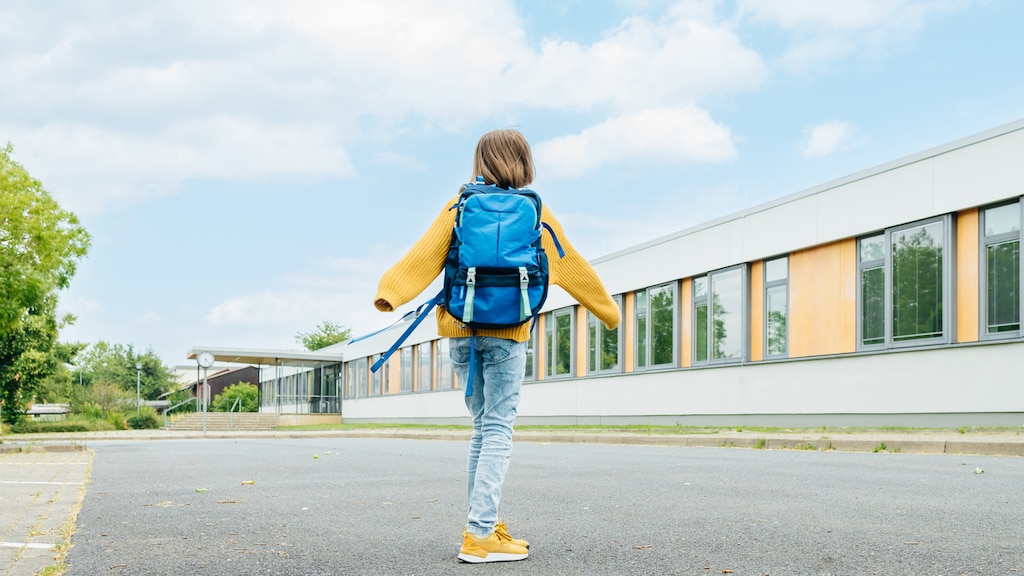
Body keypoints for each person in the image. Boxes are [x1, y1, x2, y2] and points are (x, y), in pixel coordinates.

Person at [374, 128, 620, 563]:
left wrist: (390, 293)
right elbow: (571, 266)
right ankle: (481, 534)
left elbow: (422, 257)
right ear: (523, 161)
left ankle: (479, 526)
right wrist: (609, 311)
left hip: (461, 331)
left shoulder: (460, 207)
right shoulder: (536, 212)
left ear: (481, 161)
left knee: (482, 429)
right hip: (508, 334)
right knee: (497, 430)